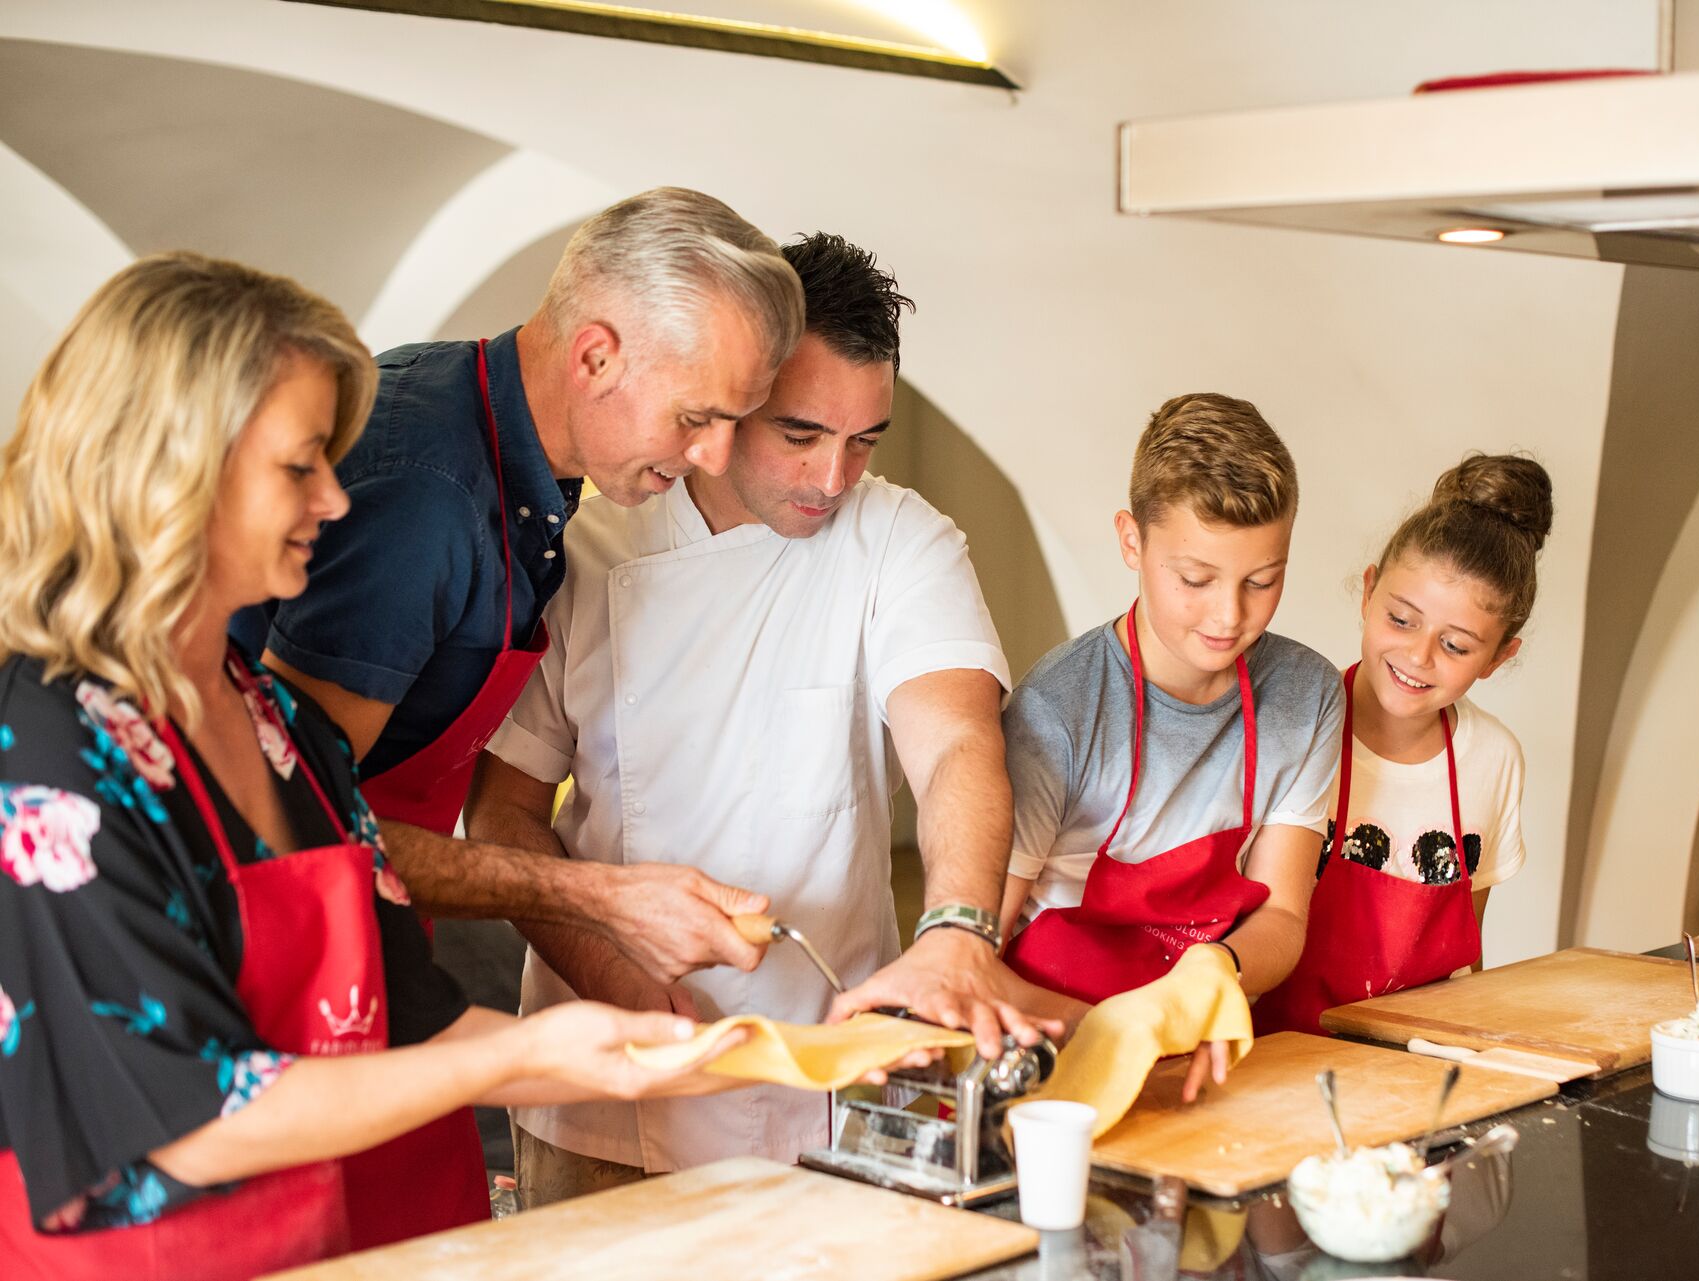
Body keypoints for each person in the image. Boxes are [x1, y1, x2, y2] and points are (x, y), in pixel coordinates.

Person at [0, 254, 753, 1280]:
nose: (337, 502)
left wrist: (636, 1053)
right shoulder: (43, 747)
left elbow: (407, 1012)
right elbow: (180, 1116)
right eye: (301, 466)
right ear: (175, 462)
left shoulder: (270, 718)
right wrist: (527, 1053)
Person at [232, 188, 805, 1243]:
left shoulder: (516, 454)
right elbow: (305, 827)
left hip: (379, 942)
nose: (716, 457)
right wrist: (602, 899)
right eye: (698, 418)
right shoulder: (427, 500)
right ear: (594, 357)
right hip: (285, 977)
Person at [470, 233, 1057, 1204]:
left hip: (829, 1080)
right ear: (734, 394)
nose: (833, 478)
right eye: (800, 434)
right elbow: (501, 818)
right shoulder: (591, 544)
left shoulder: (899, 540)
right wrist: (615, 976)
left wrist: (958, 928)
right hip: (612, 1089)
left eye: (863, 440)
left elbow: (955, 740)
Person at [997, 393, 1344, 1096]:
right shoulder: (1059, 710)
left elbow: (1281, 914)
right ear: (1132, 540)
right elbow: (971, 949)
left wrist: (1217, 971)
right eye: (1195, 579)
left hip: (1198, 1062)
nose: (1230, 615)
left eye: (1263, 580)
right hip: (1053, 1059)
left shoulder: (1307, 695)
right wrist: (1109, 1037)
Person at [1254, 453, 1550, 1036]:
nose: (1418, 657)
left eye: (1458, 646)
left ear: (1498, 658)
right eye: (1402, 619)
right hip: (1275, 1060)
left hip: (1418, 1069)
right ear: (1368, 593)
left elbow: (1468, 954)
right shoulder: (1289, 732)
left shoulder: (1494, 760)